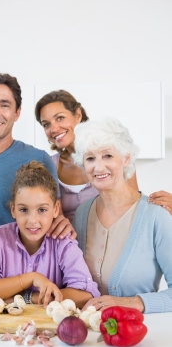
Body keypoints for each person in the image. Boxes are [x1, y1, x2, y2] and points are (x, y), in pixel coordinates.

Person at [72, 118, 172, 314]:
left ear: (126, 158)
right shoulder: (82, 213)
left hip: (137, 337)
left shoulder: (156, 215)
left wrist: (132, 302)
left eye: (108, 156)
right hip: (88, 338)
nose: (99, 168)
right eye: (90, 158)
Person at [0, 72, 74, 238]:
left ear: (17, 113)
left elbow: (54, 220)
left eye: (4, 105)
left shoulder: (38, 159)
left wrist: (62, 225)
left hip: (18, 262)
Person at [0, 161, 100, 308]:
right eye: (24, 210)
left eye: (42, 210)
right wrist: (31, 278)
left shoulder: (63, 242)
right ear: (13, 210)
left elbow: (86, 294)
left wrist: (30, 298)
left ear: (56, 208)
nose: (32, 221)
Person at [35, 90, 172, 221]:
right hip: (67, 244)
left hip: (109, 240)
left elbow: (134, 209)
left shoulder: (116, 158)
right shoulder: (49, 166)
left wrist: (161, 208)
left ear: (78, 114)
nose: (53, 129)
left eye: (60, 118)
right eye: (46, 124)